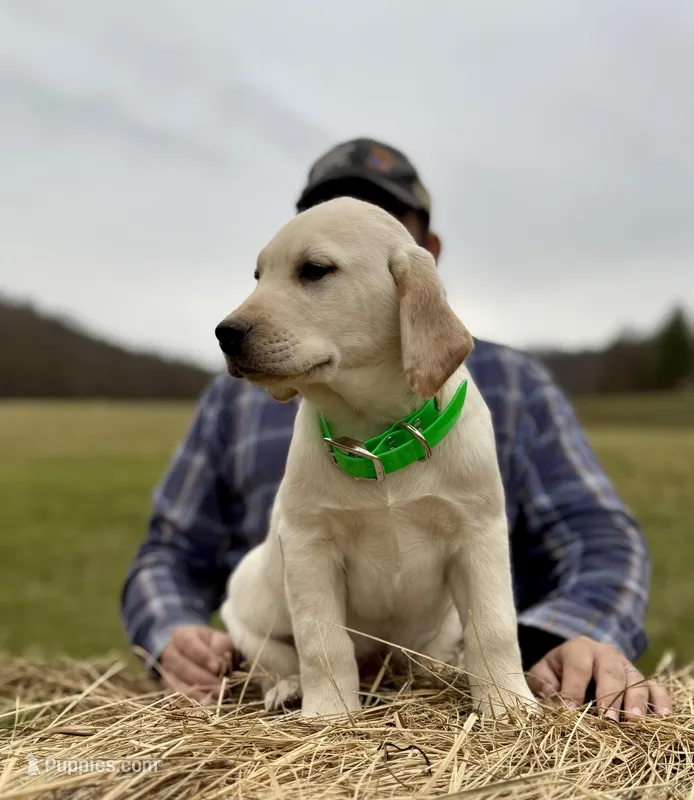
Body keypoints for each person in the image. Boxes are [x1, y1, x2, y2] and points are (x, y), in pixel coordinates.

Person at [121, 137, 671, 721]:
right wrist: (170, 633)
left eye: (318, 269)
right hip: (275, 636)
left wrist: (566, 633)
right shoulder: (235, 400)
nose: (244, 314)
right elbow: (169, 551)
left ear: (418, 261)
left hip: (434, 653)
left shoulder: (514, 388)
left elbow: (602, 540)